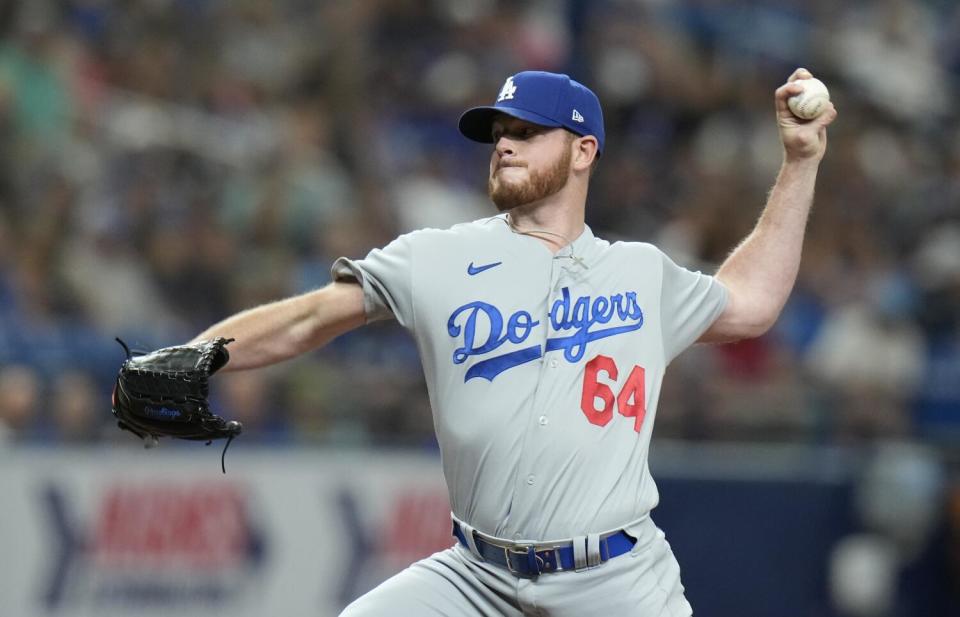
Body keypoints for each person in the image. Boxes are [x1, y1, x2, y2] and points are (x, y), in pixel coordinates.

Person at [190, 69, 837, 616]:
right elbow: (308, 317)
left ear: (584, 151)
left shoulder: (642, 273)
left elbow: (750, 303)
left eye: (527, 132)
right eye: (499, 133)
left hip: (614, 579)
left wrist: (802, 162)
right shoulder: (437, 256)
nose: (504, 144)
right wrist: (196, 357)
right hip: (475, 577)